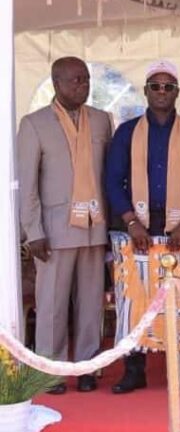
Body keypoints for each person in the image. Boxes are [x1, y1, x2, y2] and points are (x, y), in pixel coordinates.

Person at [102, 60, 180, 394]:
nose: (162, 92)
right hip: (137, 224)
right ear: (146, 91)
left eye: (168, 86)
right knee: (134, 295)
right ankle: (134, 370)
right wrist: (131, 221)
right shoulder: (126, 133)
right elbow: (112, 181)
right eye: (156, 86)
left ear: (177, 92)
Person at [18, 56, 112, 394]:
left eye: (85, 79)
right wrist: (33, 231)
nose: (82, 85)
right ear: (56, 83)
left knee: (91, 304)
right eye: (75, 80)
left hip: (94, 226)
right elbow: (26, 184)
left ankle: (87, 367)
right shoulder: (34, 124)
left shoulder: (101, 120)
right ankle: (50, 371)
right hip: (53, 231)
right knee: (52, 305)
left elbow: (108, 174)